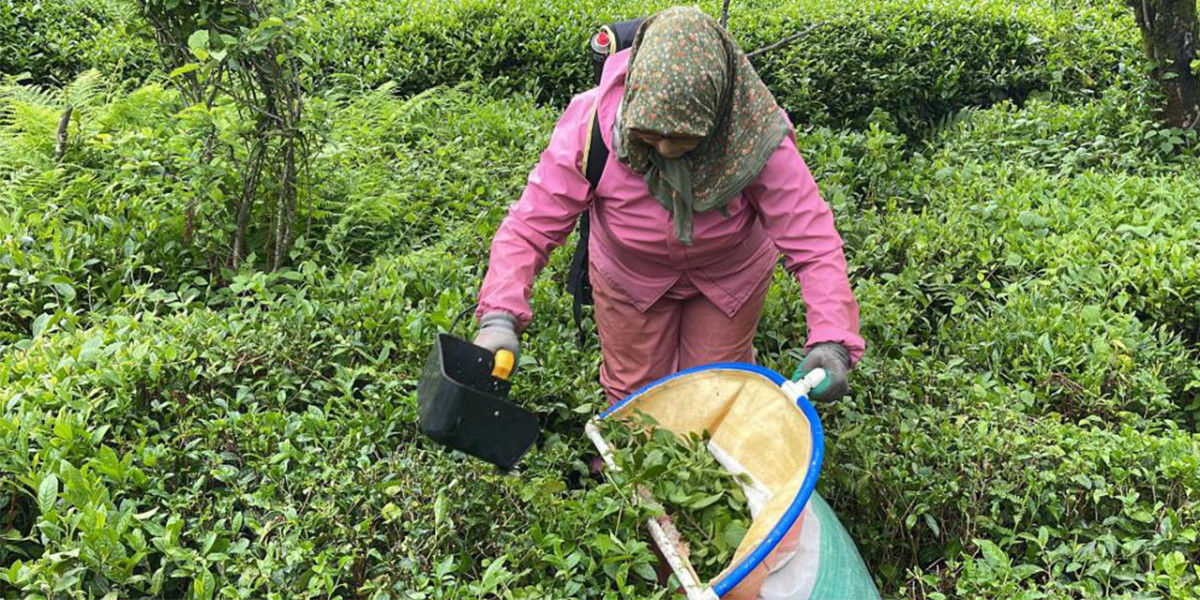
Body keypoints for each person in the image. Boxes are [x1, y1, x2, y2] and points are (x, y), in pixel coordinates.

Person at [473, 6, 864, 406]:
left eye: (683, 138)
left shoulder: (756, 134)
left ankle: (710, 465)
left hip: (729, 276)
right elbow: (530, 227)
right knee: (635, 394)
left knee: (715, 390)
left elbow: (813, 242)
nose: (664, 149)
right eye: (650, 134)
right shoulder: (590, 125)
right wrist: (500, 317)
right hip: (630, 276)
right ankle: (627, 463)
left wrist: (833, 340)